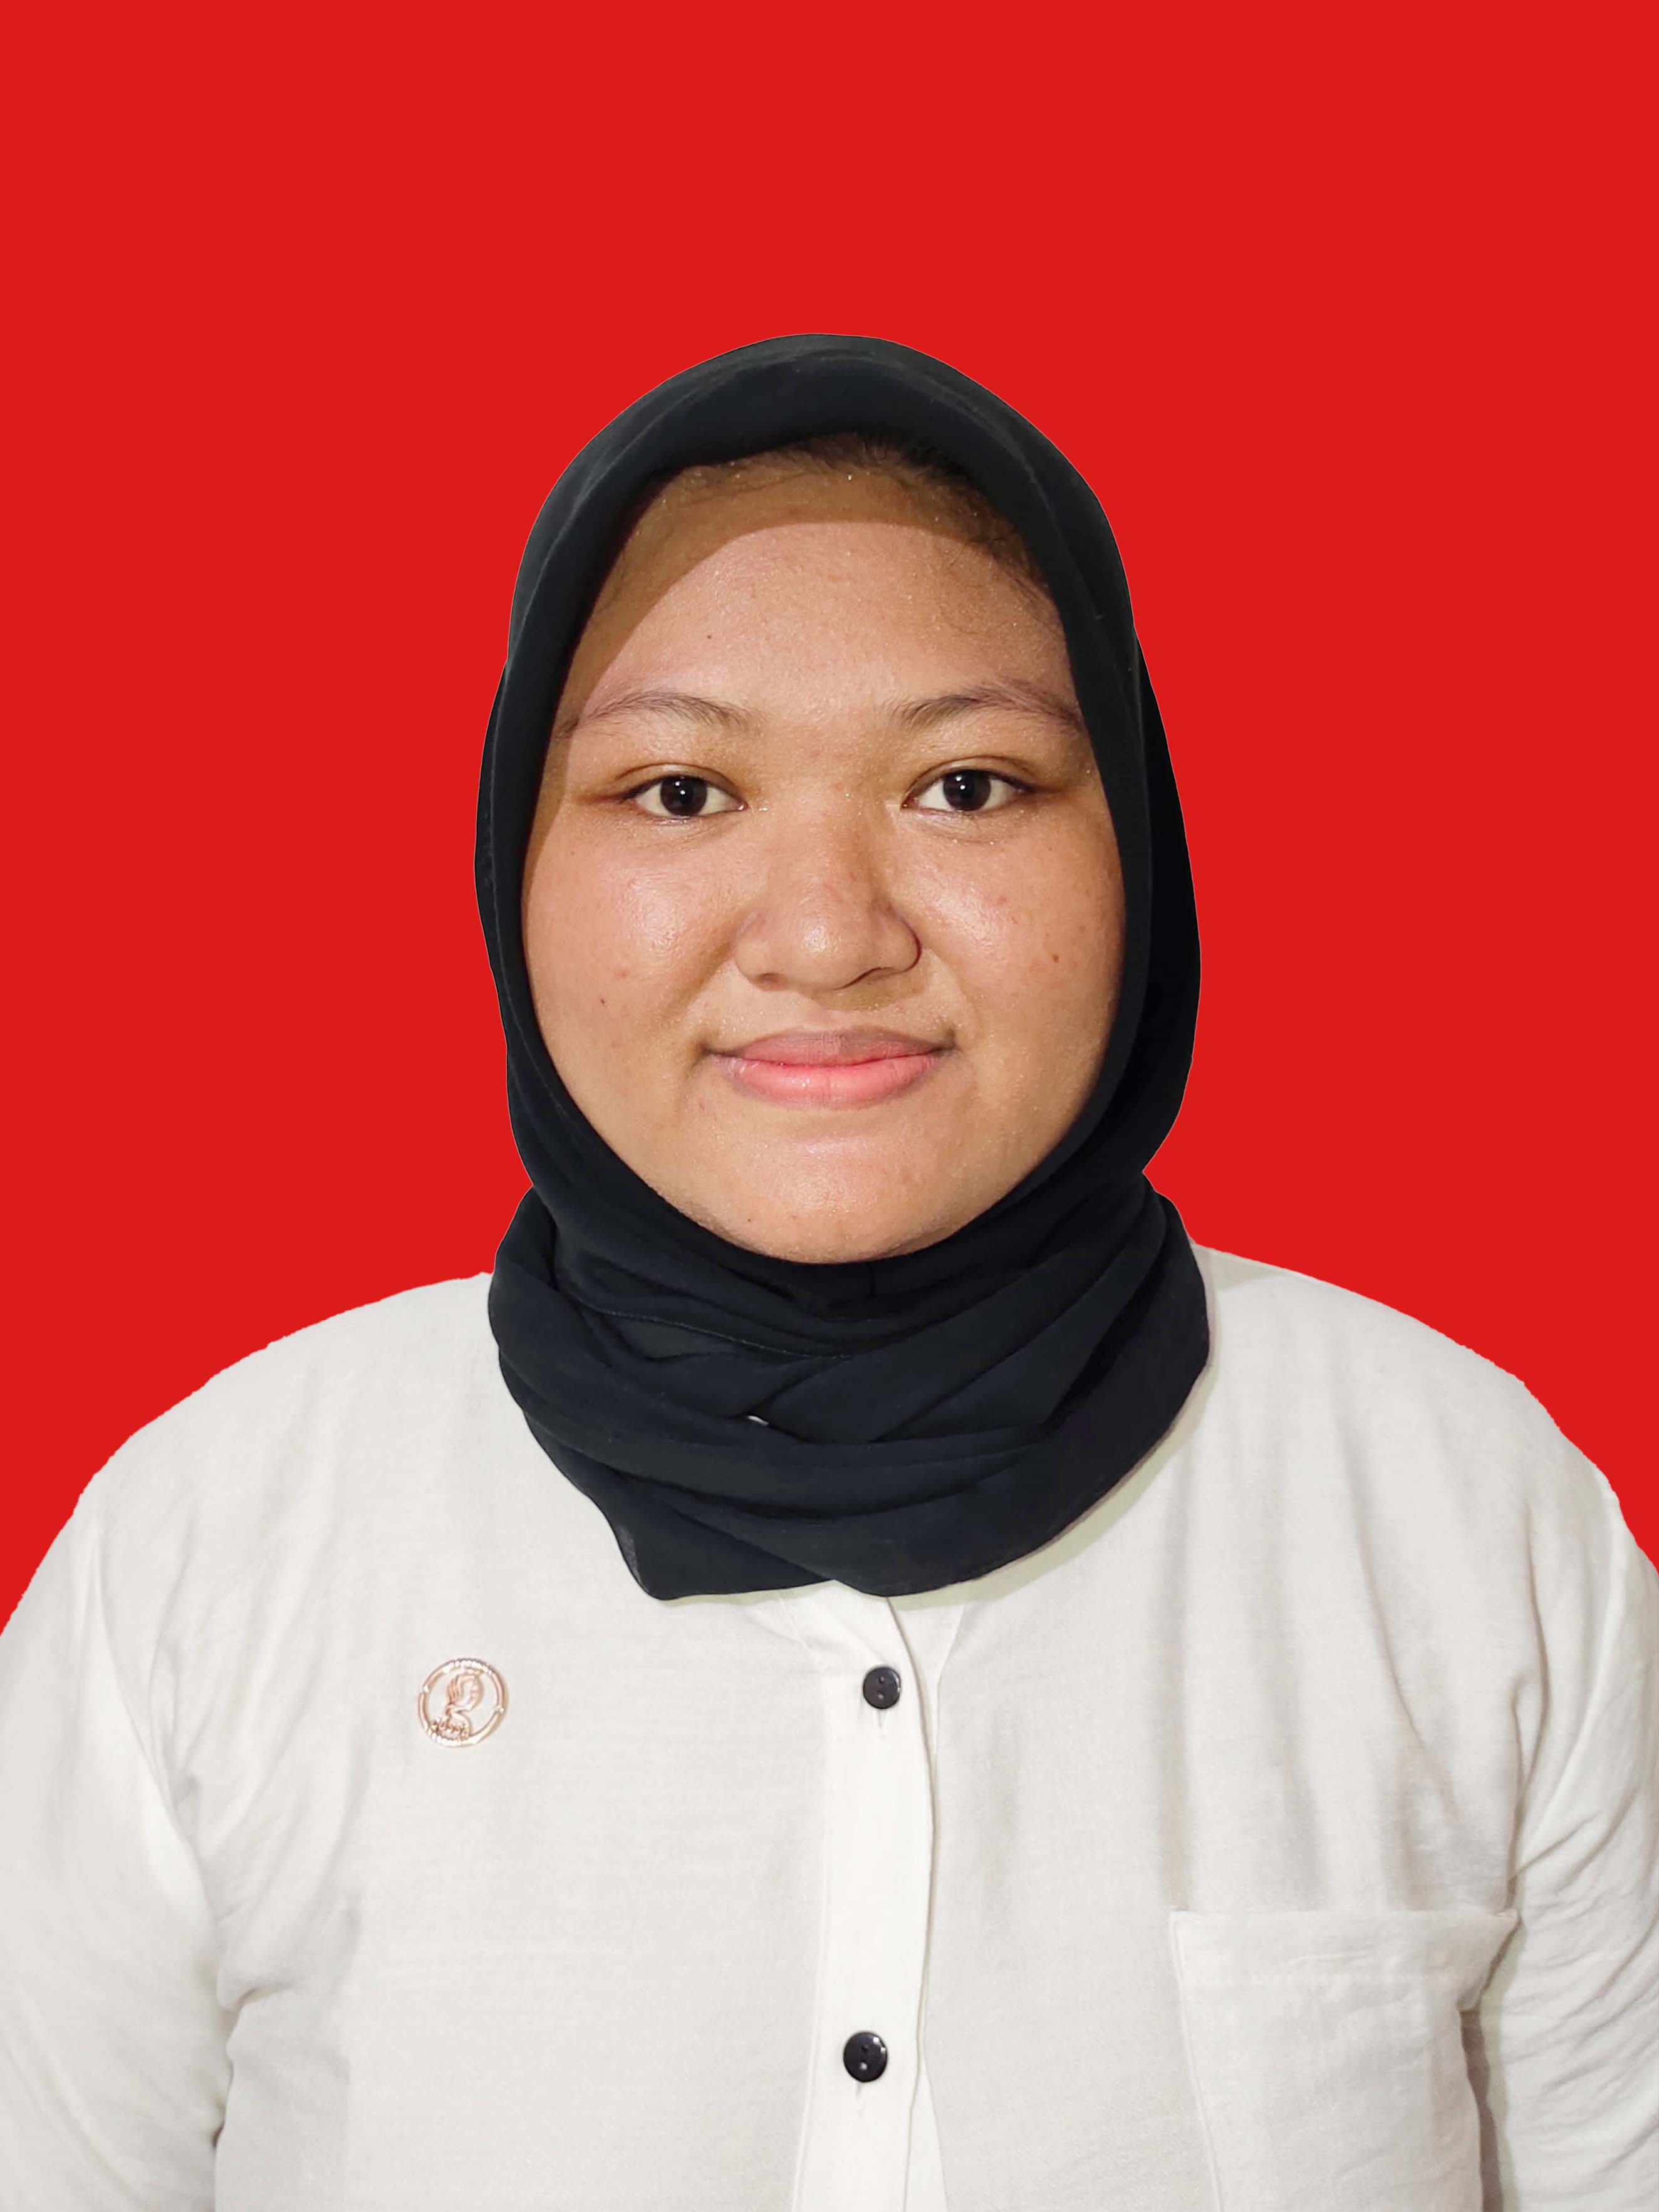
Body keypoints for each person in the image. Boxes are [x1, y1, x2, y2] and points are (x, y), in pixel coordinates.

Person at [1, 333, 1653, 2211]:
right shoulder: (217, 1547)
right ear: (513, 859)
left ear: (1137, 841)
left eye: (968, 785)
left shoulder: (1462, 1517)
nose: (825, 934)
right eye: (680, 792)